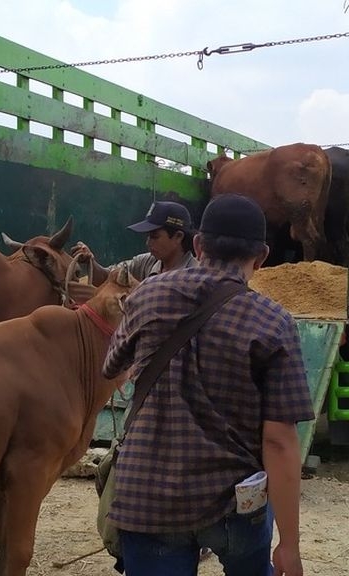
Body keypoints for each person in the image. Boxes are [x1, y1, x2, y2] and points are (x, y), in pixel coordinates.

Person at [102, 194, 314, 576]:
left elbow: (112, 366)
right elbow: (280, 440)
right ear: (262, 257)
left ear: (197, 245)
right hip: (234, 504)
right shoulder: (274, 322)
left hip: (149, 500)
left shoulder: (146, 295)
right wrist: (290, 545)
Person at [73, 201, 197, 286]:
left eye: (155, 237)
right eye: (148, 236)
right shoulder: (145, 262)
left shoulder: (196, 276)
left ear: (178, 237)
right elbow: (108, 277)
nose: (148, 243)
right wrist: (91, 263)